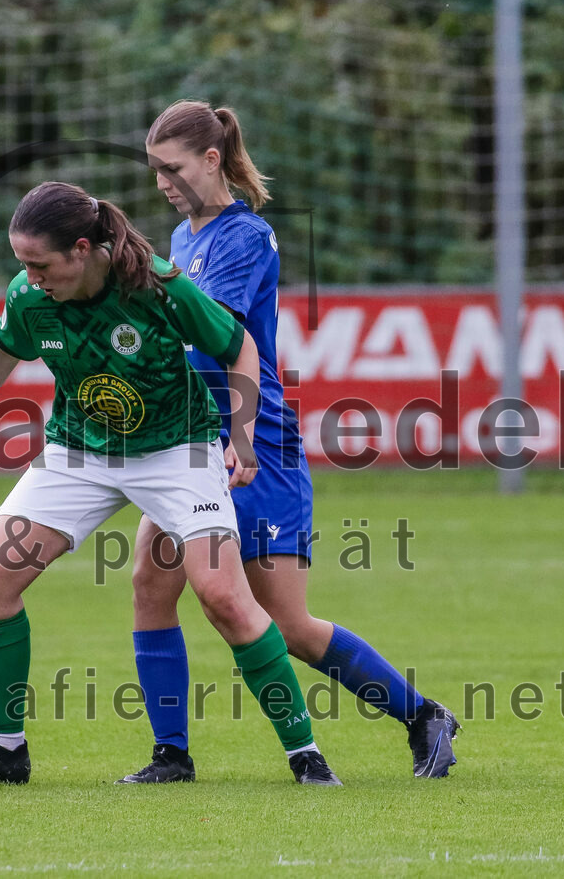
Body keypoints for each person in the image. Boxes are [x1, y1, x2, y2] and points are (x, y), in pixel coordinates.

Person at [0, 180, 341, 786]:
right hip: (79, 451)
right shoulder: (30, 296)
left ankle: (305, 755)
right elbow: (2, 348)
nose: (29, 277)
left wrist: (243, 433)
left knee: (225, 598)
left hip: (178, 451)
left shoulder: (159, 287)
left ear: (81, 249)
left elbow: (241, 347)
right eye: (21, 265)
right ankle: (2, 751)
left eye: (39, 264)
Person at [118, 99, 459, 784]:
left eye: (172, 167)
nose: (161, 182)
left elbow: (215, 330)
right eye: (154, 170)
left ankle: (423, 715)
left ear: (210, 160)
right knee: (151, 583)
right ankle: (171, 755)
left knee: (290, 624)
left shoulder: (245, 236)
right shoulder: (184, 238)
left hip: (255, 446)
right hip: (189, 444)